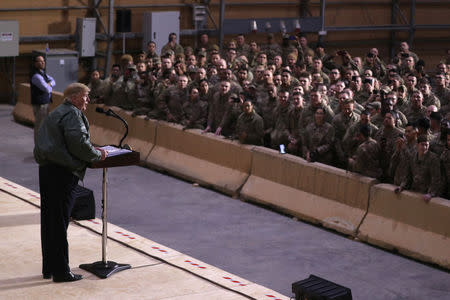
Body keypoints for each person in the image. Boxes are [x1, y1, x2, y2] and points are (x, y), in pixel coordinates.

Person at [34, 83, 107, 282]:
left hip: (47, 170)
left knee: (50, 222)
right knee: (59, 223)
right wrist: (97, 155)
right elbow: (79, 143)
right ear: (74, 97)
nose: (88, 101)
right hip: (62, 173)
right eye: (85, 96)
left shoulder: (57, 112)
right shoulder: (73, 114)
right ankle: (61, 272)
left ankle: (49, 267)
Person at [30, 55, 56, 142]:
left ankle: (43, 147)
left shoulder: (43, 73)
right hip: (40, 105)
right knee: (39, 127)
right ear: (35, 63)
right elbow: (47, 89)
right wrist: (49, 85)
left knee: (45, 127)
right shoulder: (36, 76)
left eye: (43, 61)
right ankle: (38, 148)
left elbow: (53, 81)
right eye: (40, 61)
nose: (43, 62)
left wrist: (49, 84)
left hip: (46, 103)